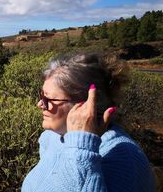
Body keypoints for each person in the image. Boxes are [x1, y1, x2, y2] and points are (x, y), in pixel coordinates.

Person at [22, 53, 156, 192]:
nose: (40, 104)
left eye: (48, 99)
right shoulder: (52, 137)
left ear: (86, 105)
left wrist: (81, 147)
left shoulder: (124, 158)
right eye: (42, 96)